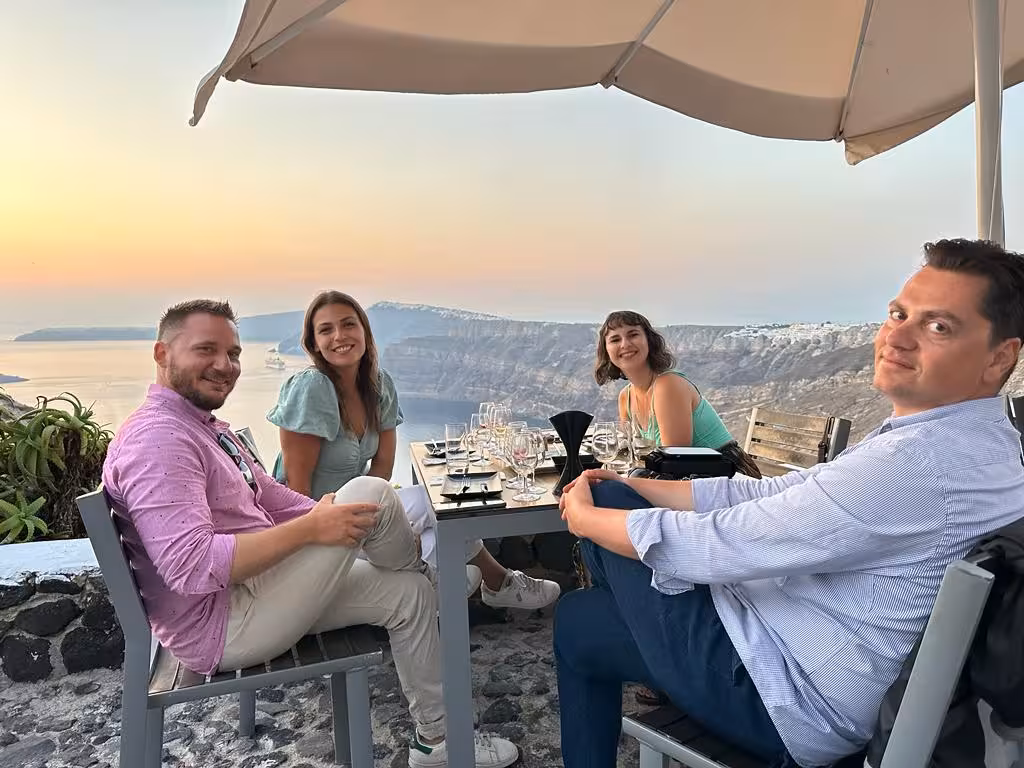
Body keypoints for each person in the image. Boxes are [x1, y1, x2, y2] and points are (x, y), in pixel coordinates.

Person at [555, 239, 1024, 768]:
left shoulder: (917, 466)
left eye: (938, 326)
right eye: (898, 314)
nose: (898, 336)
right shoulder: (982, 443)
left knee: (604, 512)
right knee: (579, 620)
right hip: (811, 664)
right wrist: (637, 486)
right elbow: (773, 492)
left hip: (790, 701)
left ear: (999, 357)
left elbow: (720, 543)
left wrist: (592, 518)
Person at [102, 299, 519, 768]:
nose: (225, 365)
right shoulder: (160, 439)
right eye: (206, 350)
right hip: (225, 621)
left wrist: (326, 515)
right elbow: (193, 566)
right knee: (374, 493)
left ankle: (437, 742)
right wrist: (314, 528)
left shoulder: (203, 427)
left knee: (410, 593)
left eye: (234, 353)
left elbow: (273, 497)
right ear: (162, 354)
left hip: (260, 588)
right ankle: (438, 576)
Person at [267, 290, 559, 610]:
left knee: (437, 506)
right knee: (432, 520)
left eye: (349, 324)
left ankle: (476, 582)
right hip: (317, 525)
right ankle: (484, 581)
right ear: (313, 343)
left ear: (364, 331)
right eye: (326, 330)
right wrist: (373, 531)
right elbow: (297, 490)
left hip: (361, 508)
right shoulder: (312, 387)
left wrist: (388, 525)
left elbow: (382, 470)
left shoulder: (378, 385)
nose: (339, 336)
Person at [594, 309, 761, 478]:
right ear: (606, 351)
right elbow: (628, 456)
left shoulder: (667, 384)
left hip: (727, 474)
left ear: (649, 341)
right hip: (686, 478)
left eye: (633, 335)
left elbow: (675, 463)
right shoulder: (625, 397)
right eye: (615, 339)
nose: (625, 344)